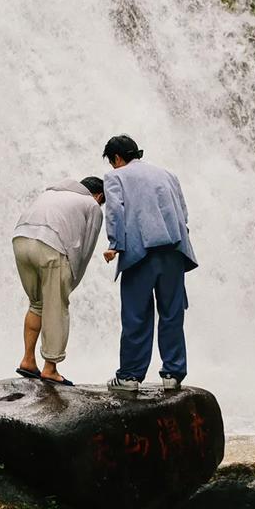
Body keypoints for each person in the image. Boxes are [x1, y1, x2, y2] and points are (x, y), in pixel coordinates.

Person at [101, 135, 197, 393]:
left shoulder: (116, 177)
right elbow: (183, 212)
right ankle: (173, 374)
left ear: (117, 158)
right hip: (174, 250)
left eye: (112, 162)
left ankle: (130, 377)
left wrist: (114, 245)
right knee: (172, 313)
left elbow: (115, 212)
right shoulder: (168, 174)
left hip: (140, 253)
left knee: (136, 315)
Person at [13, 177, 104, 385]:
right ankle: (50, 368)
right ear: (99, 195)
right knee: (56, 306)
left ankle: (28, 360)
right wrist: (71, 282)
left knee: (37, 304)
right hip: (50, 245)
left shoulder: (51, 192)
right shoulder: (92, 205)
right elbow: (86, 249)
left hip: (20, 239)